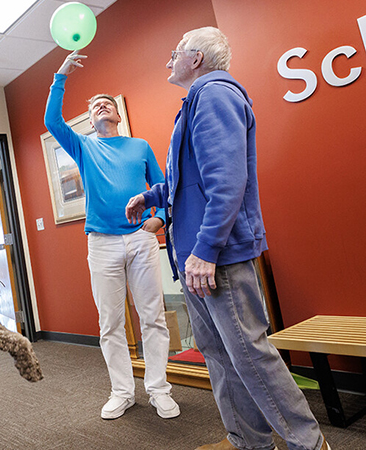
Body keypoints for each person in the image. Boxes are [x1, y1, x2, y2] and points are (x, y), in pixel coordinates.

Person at [126, 27, 329, 450]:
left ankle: (309, 444)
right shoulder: (196, 101)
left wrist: (205, 250)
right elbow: (190, 179)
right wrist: (149, 196)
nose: (169, 60)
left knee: (250, 355)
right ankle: (248, 442)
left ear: (196, 58)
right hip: (198, 259)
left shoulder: (215, 94)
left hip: (217, 257)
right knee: (220, 356)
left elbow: (227, 181)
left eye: (175, 53)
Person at [45, 51, 180, 420]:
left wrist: (160, 220)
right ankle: (122, 391)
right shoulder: (84, 147)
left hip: (141, 240)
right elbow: (52, 120)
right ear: (91, 121)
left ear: (117, 115)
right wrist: (61, 75)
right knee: (111, 324)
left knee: (152, 317)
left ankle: (158, 389)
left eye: (107, 104)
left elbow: (164, 186)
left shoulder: (139, 146)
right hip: (101, 244)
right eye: (96, 107)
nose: (102, 107)